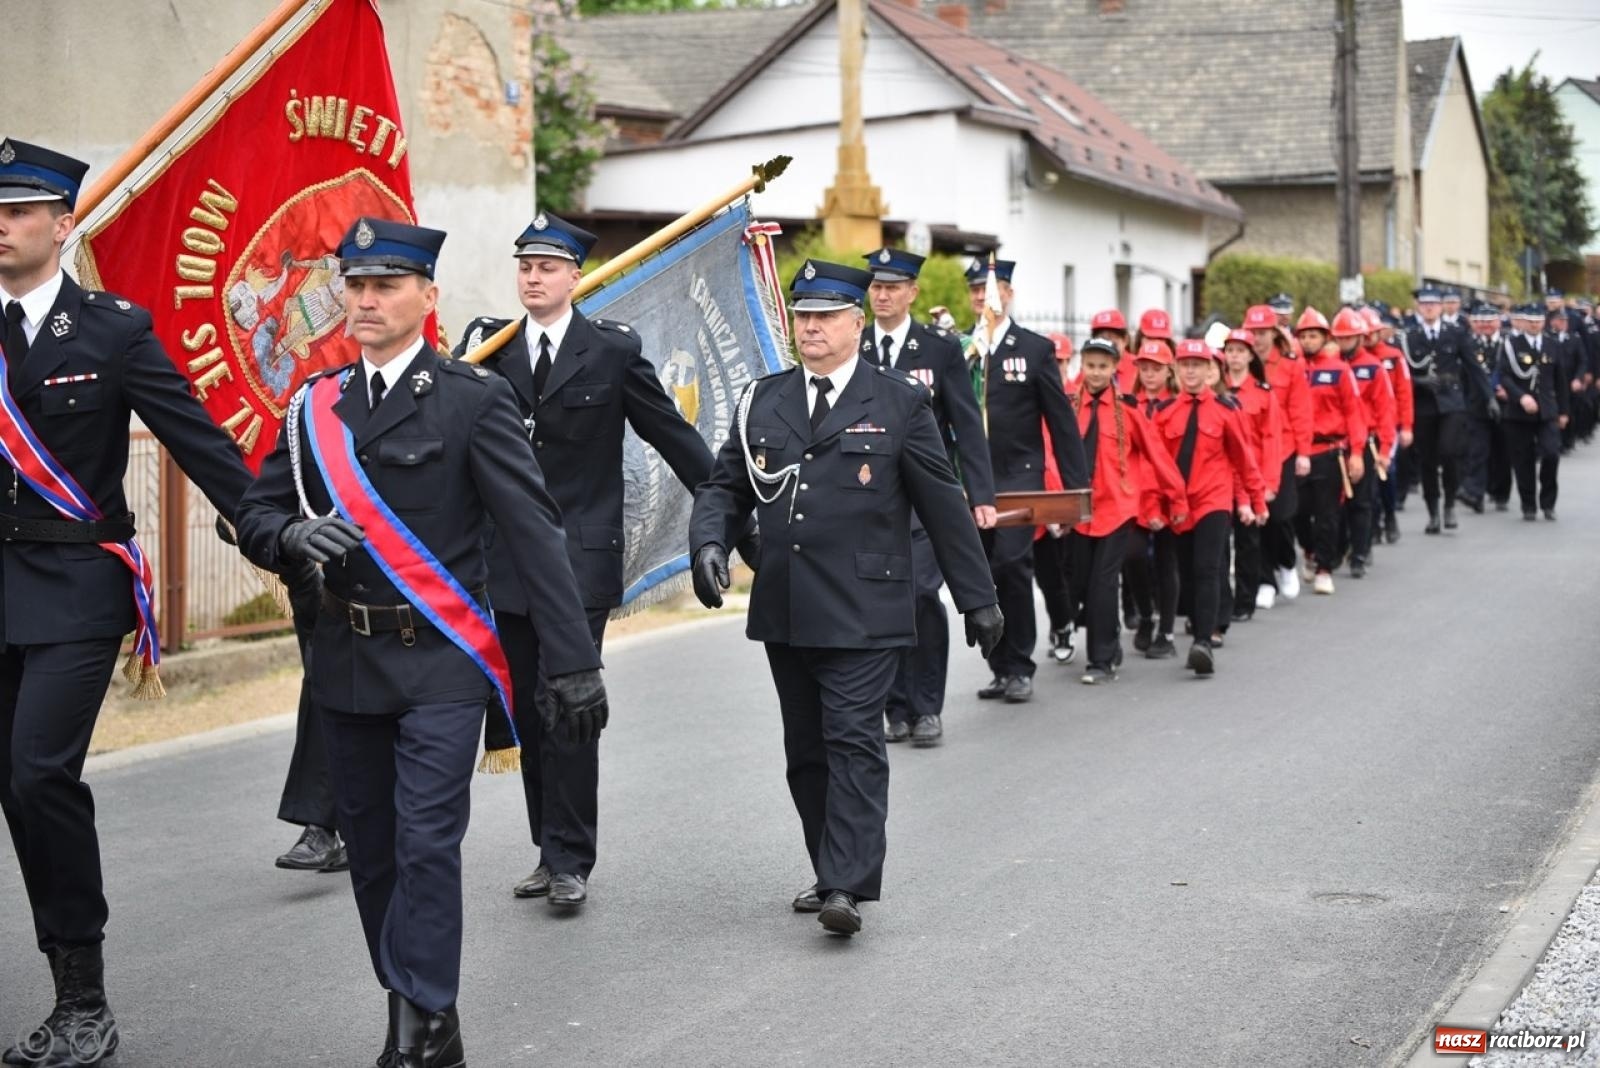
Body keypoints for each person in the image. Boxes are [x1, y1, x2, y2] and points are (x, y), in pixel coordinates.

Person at [235, 217, 608, 1067]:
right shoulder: (313, 406)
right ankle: (411, 1000)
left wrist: (573, 664)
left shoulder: (473, 399)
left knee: (425, 842)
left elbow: (535, 535)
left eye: (385, 287)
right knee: (370, 851)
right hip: (346, 663)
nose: (365, 302)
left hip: (442, 661)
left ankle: (424, 1018)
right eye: (355, 287)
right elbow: (256, 510)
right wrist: (289, 539)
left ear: (427, 297)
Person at [0, 139, 310, 1068]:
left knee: (39, 772)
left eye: (17, 210)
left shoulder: (112, 332)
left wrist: (273, 536)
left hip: (75, 590)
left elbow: (202, 444)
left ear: (63, 223)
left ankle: (82, 999)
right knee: (14, 786)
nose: (0, 224)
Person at [688, 260, 1002, 936]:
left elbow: (942, 506)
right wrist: (708, 543)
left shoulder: (898, 402)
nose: (812, 329)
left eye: (826, 317)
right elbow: (724, 487)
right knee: (806, 750)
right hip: (788, 606)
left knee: (853, 738)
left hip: (867, 607)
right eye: (803, 317)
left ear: (857, 323)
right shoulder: (762, 399)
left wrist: (978, 599)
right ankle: (829, 867)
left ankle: (848, 884)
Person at [452, 211, 728, 908]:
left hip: (579, 560)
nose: (534, 278)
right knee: (525, 710)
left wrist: (730, 510)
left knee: (564, 700)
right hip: (508, 561)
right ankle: (549, 848)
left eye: (547, 268)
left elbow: (670, 433)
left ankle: (573, 858)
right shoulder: (488, 350)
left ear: (575, 277)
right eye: (525, 267)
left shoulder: (610, 350)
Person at [858, 247, 995, 747]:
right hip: (867, 499)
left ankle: (927, 707)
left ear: (913, 293)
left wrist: (980, 493)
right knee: (881, 600)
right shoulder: (854, 345)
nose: (882, 294)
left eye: (893, 287)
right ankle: (893, 707)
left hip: (923, 501)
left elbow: (965, 426)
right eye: (876, 286)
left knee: (919, 595)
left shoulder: (937, 349)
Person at [965, 259, 1088, 702]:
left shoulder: (1034, 349)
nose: (983, 298)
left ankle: (1020, 665)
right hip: (973, 481)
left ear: (1009, 294)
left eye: (991, 289)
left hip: (1020, 476)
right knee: (982, 574)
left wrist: (1076, 487)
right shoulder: (964, 349)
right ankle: (999, 667)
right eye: (976, 291)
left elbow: (1060, 422)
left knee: (1012, 566)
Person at [1068, 338, 1186, 683]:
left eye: (1103, 366)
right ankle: (1109, 642)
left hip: (1116, 509)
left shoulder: (1129, 410)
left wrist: (1176, 498)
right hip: (1078, 511)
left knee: (1103, 584)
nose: (1096, 373)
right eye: (1091, 365)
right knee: (1080, 584)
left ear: (1114, 369)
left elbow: (1157, 457)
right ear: (1082, 366)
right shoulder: (1070, 406)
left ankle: (1100, 661)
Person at [1150, 339, 1266, 675]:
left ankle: (1203, 642)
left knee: (1207, 568)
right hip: (1179, 505)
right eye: (1185, 364)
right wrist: (1155, 507)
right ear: (1176, 369)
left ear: (1209, 371)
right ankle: (1199, 626)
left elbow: (1244, 460)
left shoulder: (1227, 410)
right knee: (1187, 573)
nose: (1190, 370)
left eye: (1197, 365)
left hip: (1213, 500)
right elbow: (1155, 466)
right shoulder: (1164, 413)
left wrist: (1256, 500)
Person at [1292, 308, 1366, 594]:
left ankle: (1324, 568)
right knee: (1296, 510)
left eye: (1314, 335)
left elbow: (1354, 413)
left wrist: (1356, 452)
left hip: (1330, 449)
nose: (1309, 341)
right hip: (1299, 450)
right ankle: (1309, 550)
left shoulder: (1339, 370)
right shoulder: (1294, 368)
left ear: (1325, 338)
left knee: (1327, 513)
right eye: (1304, 336)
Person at [1244, 305, 1311, 607]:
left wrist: (1304, 453)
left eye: (1262, 332)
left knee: (1281, 515)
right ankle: (1264, 579)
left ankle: (1285, 562)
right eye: (1252, 332)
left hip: (1281, 449)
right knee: (1256, 520)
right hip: (1247, 452)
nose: (1257, 339)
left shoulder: (1289, 365)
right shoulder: (1238, 363)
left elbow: (1300, 410)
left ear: (1273, 333)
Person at [1403, 287, 1479, 535]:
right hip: (1424, 404)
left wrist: (1487, 397)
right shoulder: (1409, 336)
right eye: (1425, 304)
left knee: (1449, 452)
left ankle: (1449, 505)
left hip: (1451, 401)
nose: (1429, 308)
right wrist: (1419, 382)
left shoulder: (1455, 333)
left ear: (1441, 307)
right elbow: (1400, 375)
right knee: (1428, 461)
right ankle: (1433, 511)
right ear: (1419, 307)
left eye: (1434, 304)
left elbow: (1473, 366)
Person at [1219, 329, 1281, 620]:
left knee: (1248, 542)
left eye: (1240, 351)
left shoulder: (1263, 394)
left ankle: (1245, 600)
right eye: (1230, 350)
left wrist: (1269, 483)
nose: (1234, 356)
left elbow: (1271, 440)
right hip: (1220, 477)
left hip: (1250, 476)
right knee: (1219, 545)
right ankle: (1222, 601)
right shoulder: (1216, 392)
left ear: (1249, 355)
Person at [1498, 304, 1567, 521]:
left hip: (1547, 410)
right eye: (1530, 321)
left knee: (1551, 453)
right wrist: (1521, 397)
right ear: (1523, 322)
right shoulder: (1511, 345)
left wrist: (1564, 411)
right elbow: (1505, 376)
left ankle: (1548, 503)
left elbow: (1561, 380)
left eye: (1538, 321)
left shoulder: (1552, 345)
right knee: (1523, 459)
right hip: (1519, 412)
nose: (1535, 325)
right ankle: (1528, 504)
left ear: (1544, 322)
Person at [1341, 310, 1396, 579]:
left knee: (1362, 501)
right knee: (1336, 503)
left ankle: (1360, 553)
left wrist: (1385, 449)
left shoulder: (1374, 368)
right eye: (1340, 338)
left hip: (1367, 442)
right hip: (1338, 442)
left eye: (1349, 338)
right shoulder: (1329, 366)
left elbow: (1386, 410)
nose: (1344, 343)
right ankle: (1341, 546)